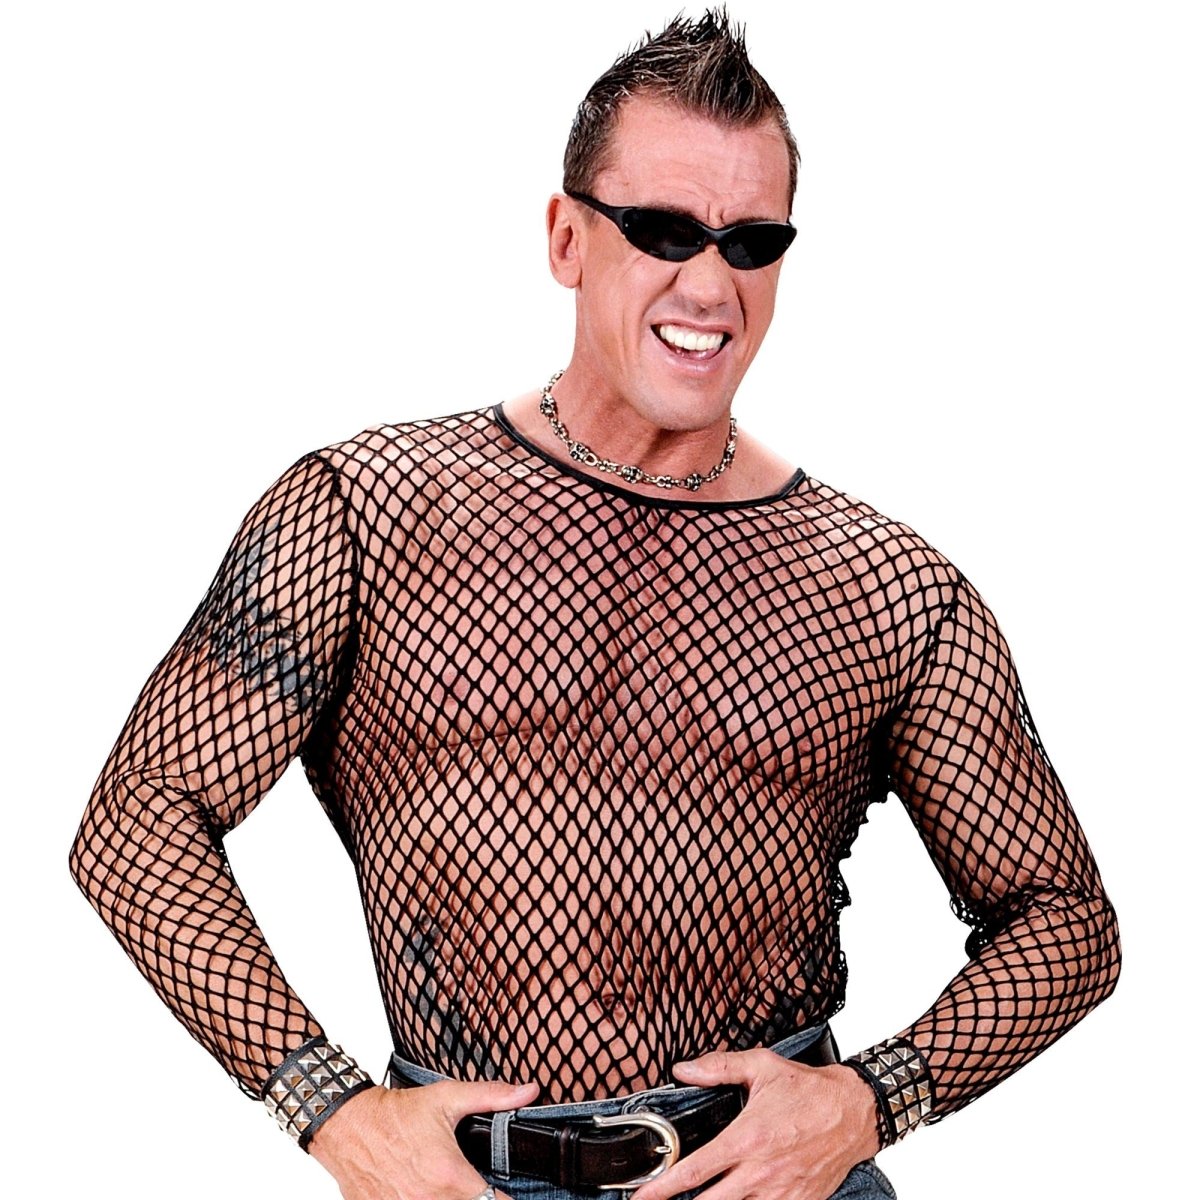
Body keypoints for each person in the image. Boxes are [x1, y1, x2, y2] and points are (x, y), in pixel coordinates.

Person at [70, 10, 1120, 1200]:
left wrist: (871, 1100)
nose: (710, 284)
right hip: (466, 1183)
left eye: (752, 242)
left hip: (771, 1181)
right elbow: (138, 818)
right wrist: (334, 1114)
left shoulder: (885, 586)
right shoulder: (367, 512)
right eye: (664, 231)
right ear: (567, 238)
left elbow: (1064, 919)